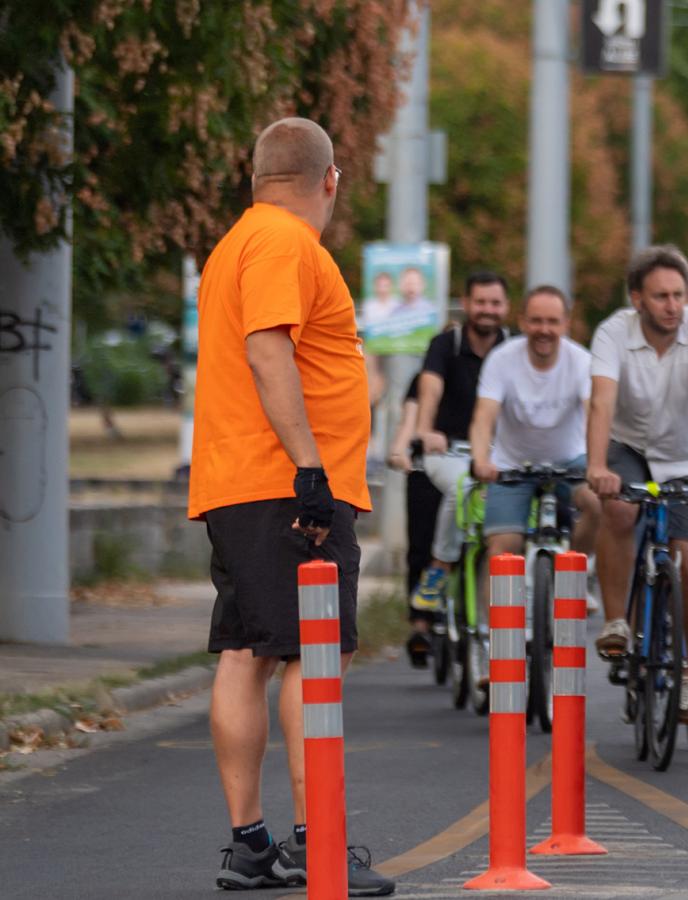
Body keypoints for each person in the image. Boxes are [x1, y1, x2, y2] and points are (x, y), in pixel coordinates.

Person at [188, 117, 393, 895]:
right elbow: (268, 348)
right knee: (313, 655)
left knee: (249, 652)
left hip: (245, 482)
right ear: (329, 179)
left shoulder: (237, 242)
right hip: (286, 486)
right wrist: (313, 470)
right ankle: (319, 843)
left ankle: (251, 844)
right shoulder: (281, 242)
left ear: (254, 174)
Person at [587, 245, 688, 725]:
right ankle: (616, 620)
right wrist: (596, 466)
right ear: (637, 299)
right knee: (618, 509)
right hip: (628, 448)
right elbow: (601, 404)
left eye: (678, 295)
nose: (672, 305)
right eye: (660, 296)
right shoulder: (613, 332)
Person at [470, 285, 602, 567]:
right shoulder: (502, 359)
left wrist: (599, 464)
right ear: (522, 322)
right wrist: (481, 460)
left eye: (553, 321)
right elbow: (484, 417)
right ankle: (498, 612)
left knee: (596, 502)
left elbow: (595, 415)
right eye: (536, 320)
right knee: (502, 551)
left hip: (571, 461)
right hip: (513, 465)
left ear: (566, 323)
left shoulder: (581, 361)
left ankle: (578, 569)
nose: (544, 329)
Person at [410, 273, 510, 612]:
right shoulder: (446, 345)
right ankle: (439, 568)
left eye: (495, 303)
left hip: (500, 454)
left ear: (506, 307)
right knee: (462, 485)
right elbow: (430, 387)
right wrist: (425, 429)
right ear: (466, 304)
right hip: (450, 450)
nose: (488, 310)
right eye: (481, 302)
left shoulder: (513, 348)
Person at [385, 373, 444, 667]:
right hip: (426, 467)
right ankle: (420, 624)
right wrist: (400, 450)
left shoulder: (498, 366)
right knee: (420, 548)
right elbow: (410, 419)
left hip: (478, 466)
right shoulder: (424, 378)